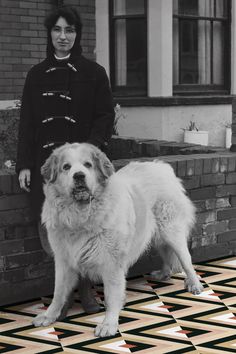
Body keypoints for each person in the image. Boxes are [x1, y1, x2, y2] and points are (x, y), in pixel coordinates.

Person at [16, 6, 115, 314]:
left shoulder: (93, 73)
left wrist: (91, 150)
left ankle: (85, 293)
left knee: (85, 229)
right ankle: (65, 288)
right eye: (57, 30)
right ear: (50, 34)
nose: (63, 36)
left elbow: (104, 116)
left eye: (69, 30)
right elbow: (27, 123)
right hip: (50, 170)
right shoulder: (35, 75)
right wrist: (24, 164)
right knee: (51, 232)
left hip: (80, 168)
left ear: (77, 34)